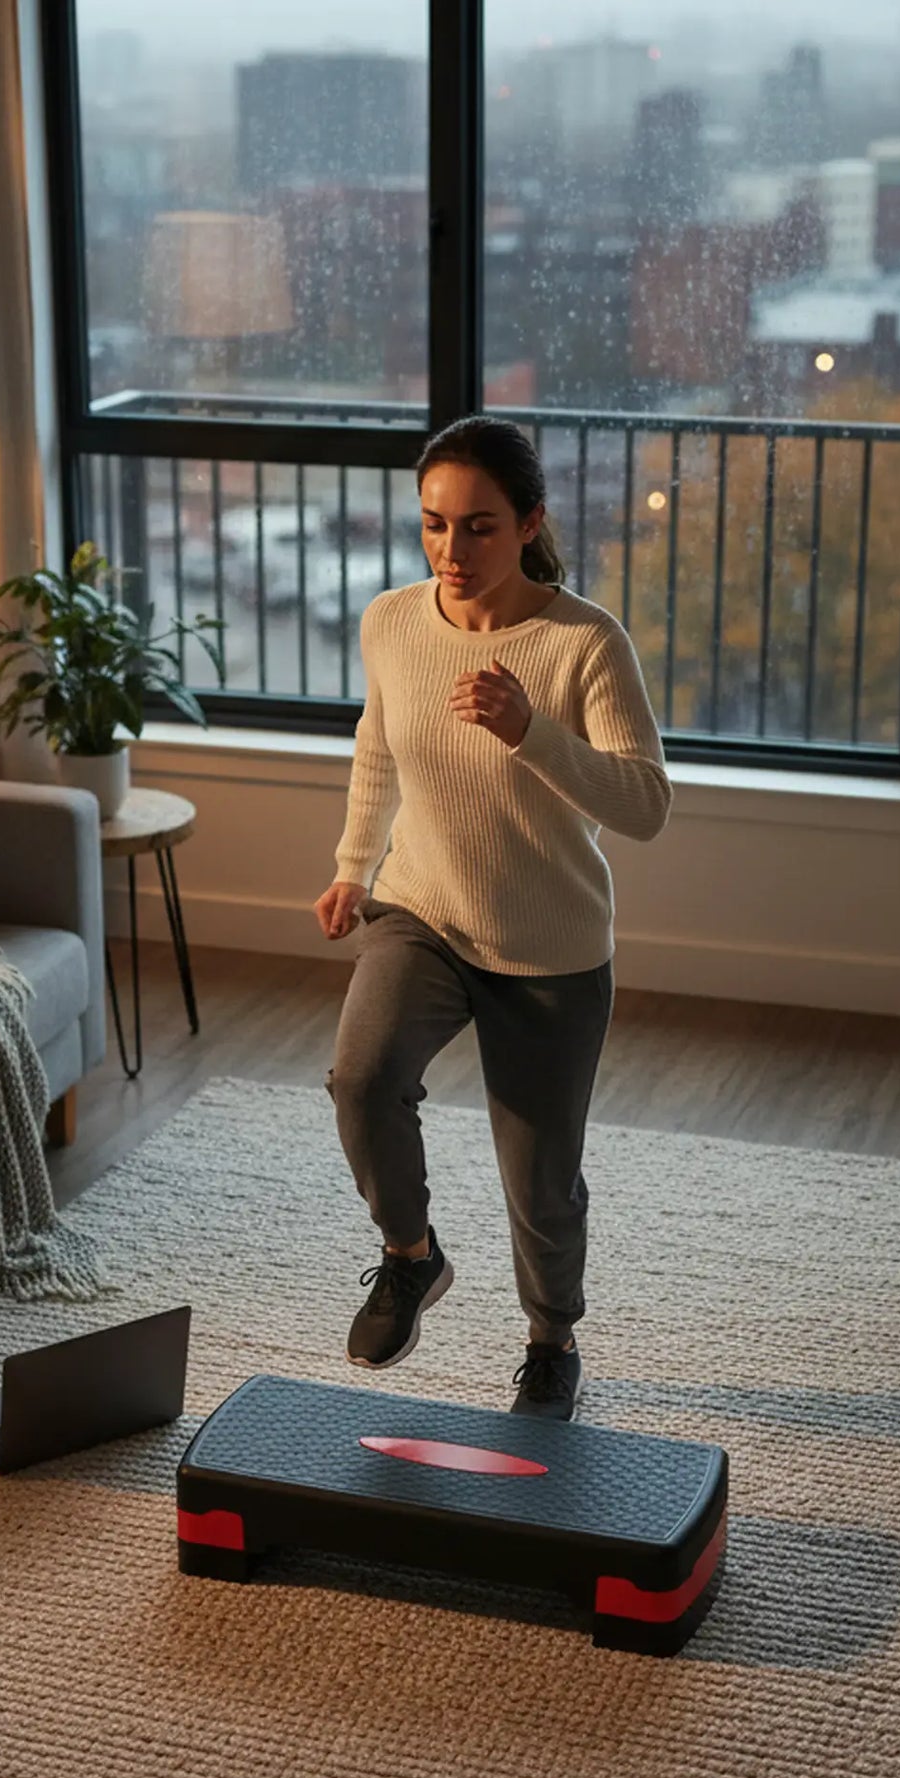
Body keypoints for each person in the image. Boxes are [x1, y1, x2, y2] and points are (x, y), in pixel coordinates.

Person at [315, 415, 673, 1420]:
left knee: (540, 1182)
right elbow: (377, 751)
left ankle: (549, 1340)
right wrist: (353, 868)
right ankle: (408, 1255)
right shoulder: (391, 620)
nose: (450, 551)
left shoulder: (581, 641)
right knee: (361, 1077)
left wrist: (531, 732)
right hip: (421, 907)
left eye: (476, 527)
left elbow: (645, 806)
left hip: (547, 945)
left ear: (527, 524)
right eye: (432, 525)